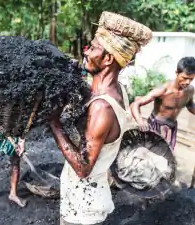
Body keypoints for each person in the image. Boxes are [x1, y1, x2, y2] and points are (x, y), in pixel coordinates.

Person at [49, 11, 152, 225]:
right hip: (91, 197)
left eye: (93, 48)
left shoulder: (102, 108)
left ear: (107, 59)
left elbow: (83, 168)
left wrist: (53, 122)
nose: (86, 52)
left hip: (81, 210)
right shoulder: (118, 91)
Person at [130, 57, 195, 150]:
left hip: (171, 128)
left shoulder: (190, 90)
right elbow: (136, 104)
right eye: (184, 78)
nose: (187, 82)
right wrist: (140, 121)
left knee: (167, 158)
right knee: (149, 156)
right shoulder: (163, 90)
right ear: (177, 73)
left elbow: (190, 105)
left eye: (191, 79)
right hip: (155, 127)